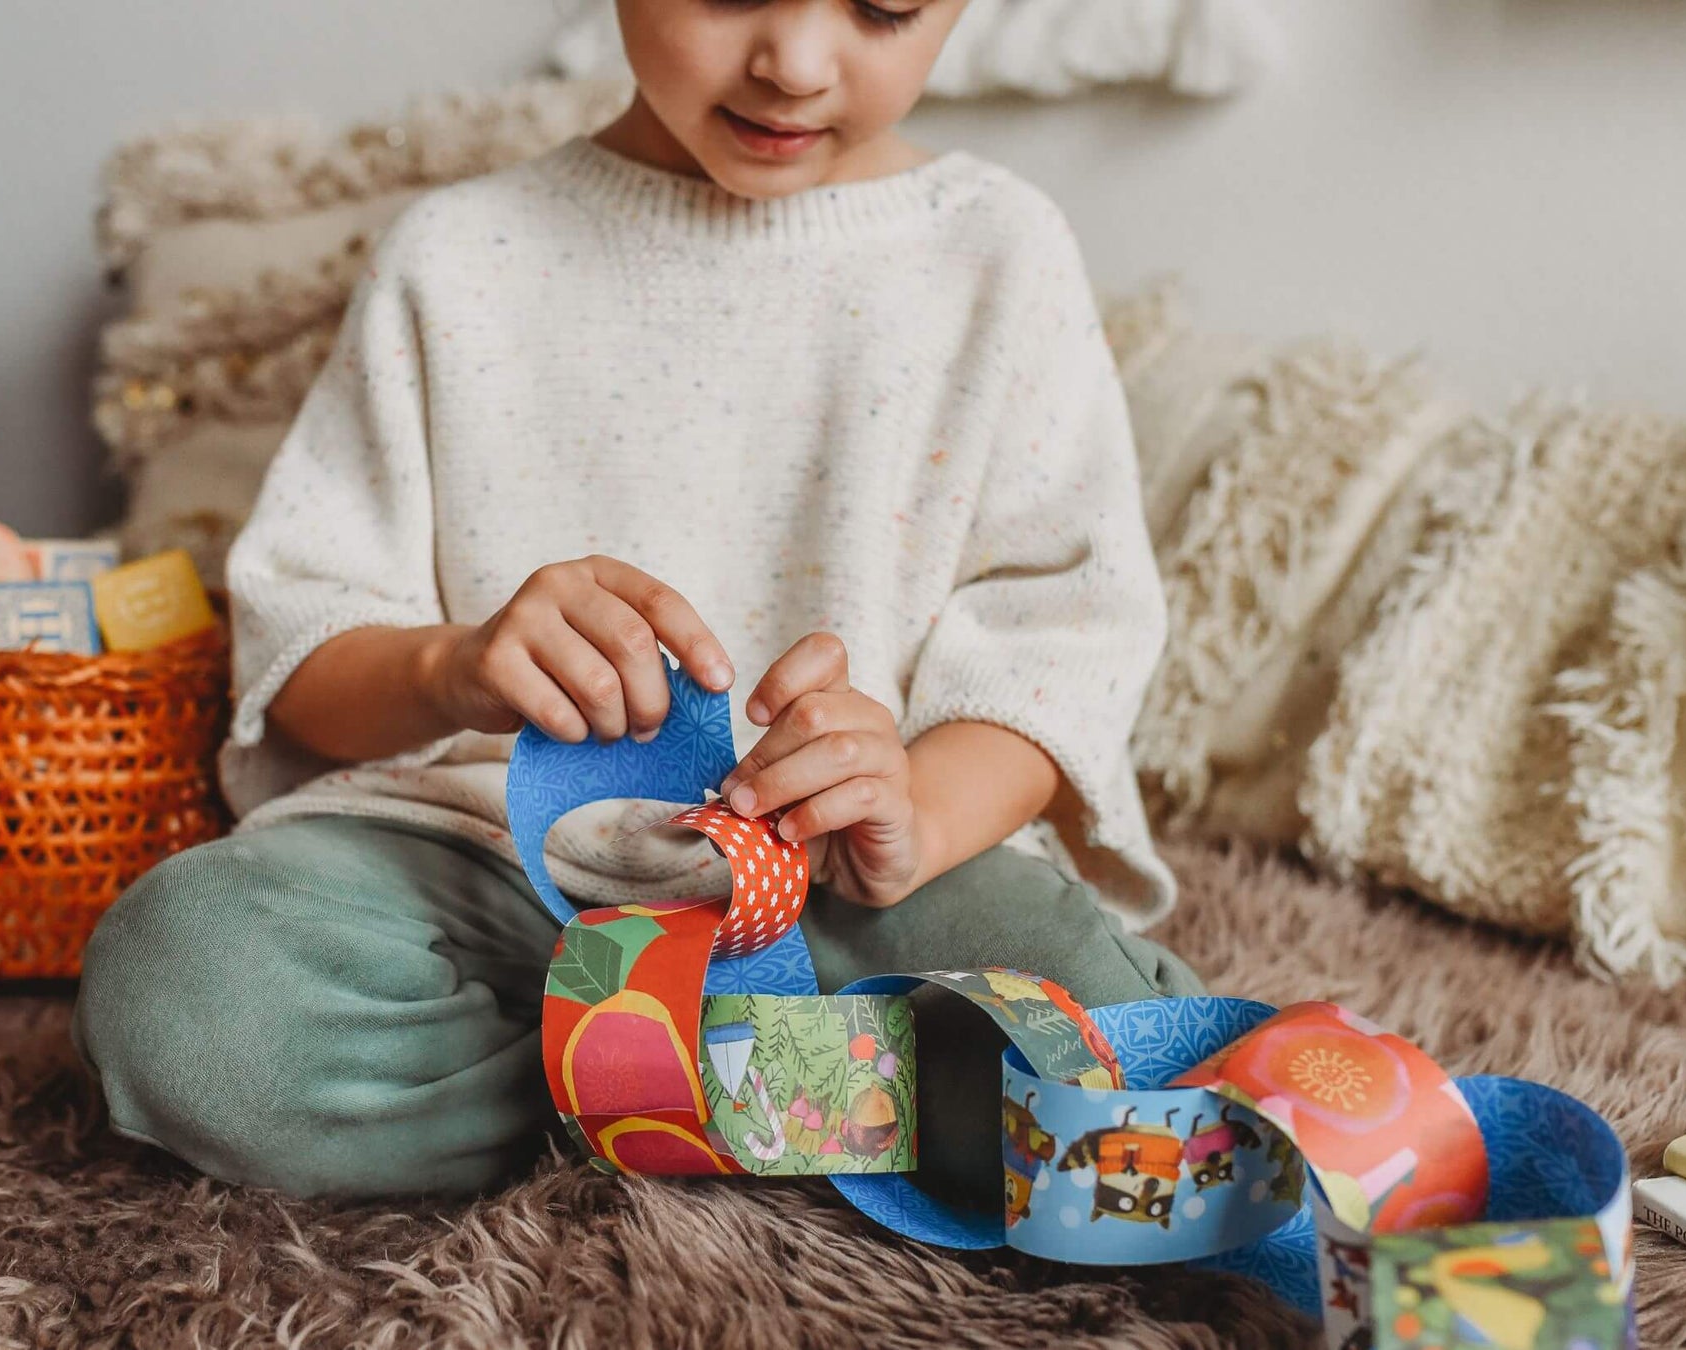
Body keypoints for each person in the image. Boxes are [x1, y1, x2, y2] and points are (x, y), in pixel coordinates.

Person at [72, 0, 1203, 1201]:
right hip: (487, 869)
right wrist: (449, 666)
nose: (796, 65)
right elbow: (304, 658)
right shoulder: (456, 255)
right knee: (187, 989)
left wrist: (913, 810)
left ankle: (654, 1099)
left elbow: (1055, 651)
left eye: (883, 5)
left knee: (1117, 1060)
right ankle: (765, 1104)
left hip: (848, 896)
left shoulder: (1000, 253)